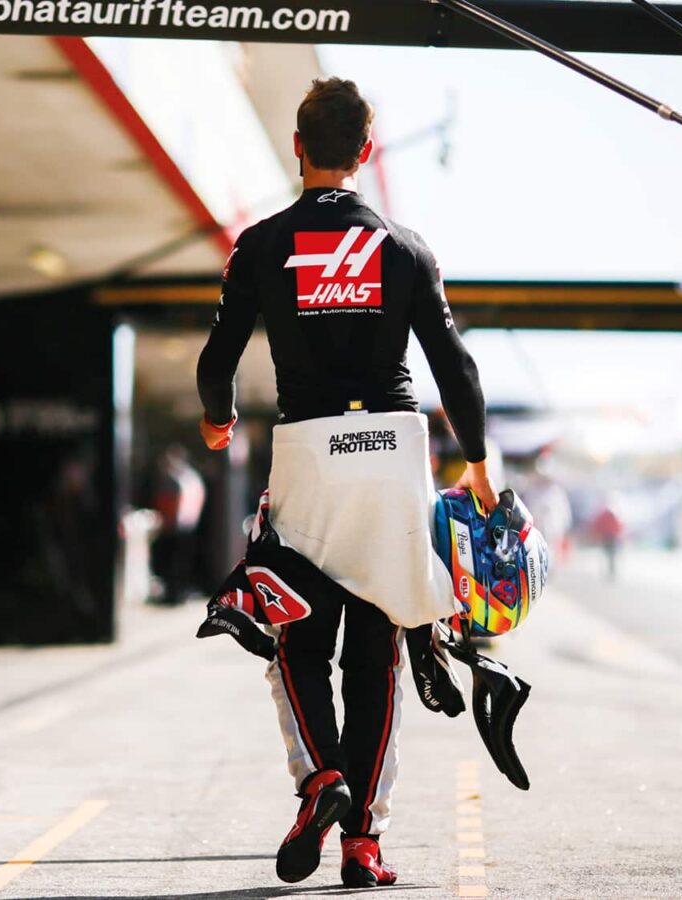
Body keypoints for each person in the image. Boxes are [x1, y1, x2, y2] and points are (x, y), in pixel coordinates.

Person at [196, 78, 495, 889]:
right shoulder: (405, 245)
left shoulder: (261, 245)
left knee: (295, 633)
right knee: (378, 651)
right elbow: (454, 367)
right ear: (366, 152)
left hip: (310, 452)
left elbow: (218, 357)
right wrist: (476, 461)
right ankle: (364, 839)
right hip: (394, 455)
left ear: (298, 148)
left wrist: (216, 417)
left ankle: (320, 779)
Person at [150, 445, 207, 605]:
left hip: (178, 525)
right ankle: (177, 592)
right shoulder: (191, 478)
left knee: (176, 563)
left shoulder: (178, 479)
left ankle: (175, 593)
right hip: (188, 524)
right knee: (181, 562)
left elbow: (174, 502)